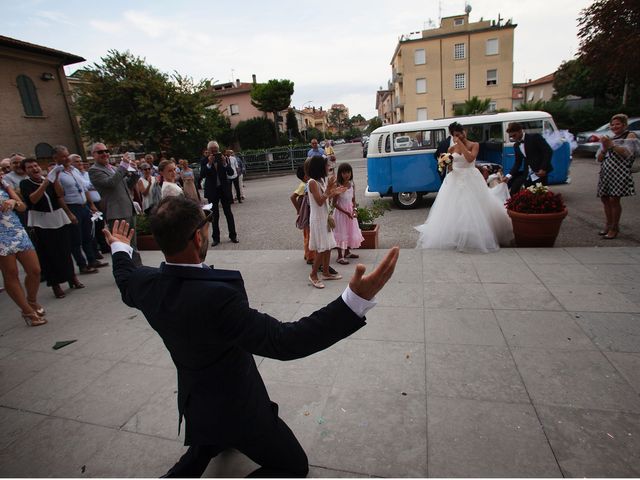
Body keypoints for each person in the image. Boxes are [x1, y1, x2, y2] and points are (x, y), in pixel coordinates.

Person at [103, 195, 399, 478]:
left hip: (197, 400)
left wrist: (119, 248)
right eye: (206, 224)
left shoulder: (145, 284)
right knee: (294, 466)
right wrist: (353, 302)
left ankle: (207, 443)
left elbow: (125, 277)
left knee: (204, 447)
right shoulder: (215, 298)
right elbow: (285, 340)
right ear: (197, 238)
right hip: (237, 408)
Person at [415, 122, 512, 253]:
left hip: (471, 177)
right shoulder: (451, 149)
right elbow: (450, 165)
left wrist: (460, 143)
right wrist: (445, 164)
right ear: (452, 135)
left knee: (473, 206)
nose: (459, 136)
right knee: (455, 208)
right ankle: (457, 235)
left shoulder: (474, 145)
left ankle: (477, 235)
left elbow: (470, 158)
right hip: (455, 178)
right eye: (456, 134)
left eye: (460, 133)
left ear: (464, 132)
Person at [19, 158, 82, 298]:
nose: (35, 169)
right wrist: (44, 184)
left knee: (65, 249)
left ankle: (72, 277)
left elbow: (59, 195)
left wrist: (55, 179)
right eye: (30, 167)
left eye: (36, 165)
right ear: (25, 171)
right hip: (41, 221)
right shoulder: (25, 183)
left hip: (58, 217)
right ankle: (55, 284)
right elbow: (33, 200)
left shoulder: (47, 179)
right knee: (49, 254)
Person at [0, 171, 46, 326]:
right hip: (1, 237)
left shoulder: (5, 186)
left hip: (17, 231)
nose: (1, 173)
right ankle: (27, 311)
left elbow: (22, 207)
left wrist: (14, 202)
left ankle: (31, 300)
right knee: (11, 274)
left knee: (35, 270)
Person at [54, 145, 107, 274]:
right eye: (63, 156)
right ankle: (82, 264)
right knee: (76, 238)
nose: (66, 158)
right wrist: (69, 213)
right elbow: (59, 196)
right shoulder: (56, 174)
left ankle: (92, 259)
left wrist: (91, 205)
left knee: (87, 235)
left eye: (67, 155)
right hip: (72, 207)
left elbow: (84, 188)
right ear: (56, 158)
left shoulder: (74, 170)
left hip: (84, 206)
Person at [88, 143, 142, 266]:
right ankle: (127, 270)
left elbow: (127, 185)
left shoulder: (112, 168)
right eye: (100, 152)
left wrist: (134, 172)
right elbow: (111, 183)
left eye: (106, 151)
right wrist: (122, 167)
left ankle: (137, 269)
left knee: (133, 244)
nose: (105, 154)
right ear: (93, 155)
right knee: (122, 246)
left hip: (128, 209)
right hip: (116, 212)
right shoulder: (94, 170)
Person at [596, 113, 639, 240]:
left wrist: (611, 145)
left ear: (624, 125)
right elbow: (599, 158)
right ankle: (608, 225)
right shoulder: (610, 138)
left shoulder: (630, 135)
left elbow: (627, 153)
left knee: (614, 199)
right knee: (604, 198)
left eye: (618, 124)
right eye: (612, 124)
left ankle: (614, 227)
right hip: (606, 171)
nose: (614, 127)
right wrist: (604, 148)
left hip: (620, 172)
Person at [307, 155, 346, 288]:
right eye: (326, 165)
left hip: (325, 217)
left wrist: (335, 191)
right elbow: (319, 201)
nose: (328, 167)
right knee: (321, 249)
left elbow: (327, 196)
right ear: (319, 167)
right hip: (318, 219)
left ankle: (325, 272)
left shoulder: (322, 180)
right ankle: (313, 274)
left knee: (328, 246)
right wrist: (330, 188)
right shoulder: (312, 182)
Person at [198, 141, 238, 246]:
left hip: (223, 189)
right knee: (214, 215)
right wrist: (209, 164)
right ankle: (216, 238)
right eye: (212, 150)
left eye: (216, 149)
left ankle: (233, 236)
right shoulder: (204, 160)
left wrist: (225, 163)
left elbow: (231, 172)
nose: (214, 152)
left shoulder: (224, 158)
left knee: (228, 213)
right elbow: (202, 175)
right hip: (212, 191)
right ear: (208, 150)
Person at [505, 122, 553, 195]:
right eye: (511, 137)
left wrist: (543, 168)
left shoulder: (535, 137)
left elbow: (548, 152)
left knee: (541, 195)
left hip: (540, 173)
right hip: (527, 174)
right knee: (527, 196)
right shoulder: (516, 145)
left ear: (520, 131)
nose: (513, 138)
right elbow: (518, 162)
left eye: (514, 135)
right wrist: (508, 176)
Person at [332, 162, 363, 264]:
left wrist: (354, 210)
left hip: (350, 213)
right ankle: (340, 256)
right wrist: (346, 212)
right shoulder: (338, 186)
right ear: (340, 174)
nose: (347, 175)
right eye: (344, 173)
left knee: (349, 232)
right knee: (341, 233)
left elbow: (353, 199)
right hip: (341, 214)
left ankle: (347, 252)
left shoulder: (352, 184)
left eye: (348, 172)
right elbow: (334, 204)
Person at [290, 163, 314, 265]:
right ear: (305, 176)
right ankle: (309, 256)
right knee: (308, 235)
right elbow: (292, 197)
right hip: (306, 215)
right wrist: (299, 210)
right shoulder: (304, 185)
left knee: (307, 235)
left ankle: (307, 254)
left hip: (307, 215)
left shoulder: (306, 184)